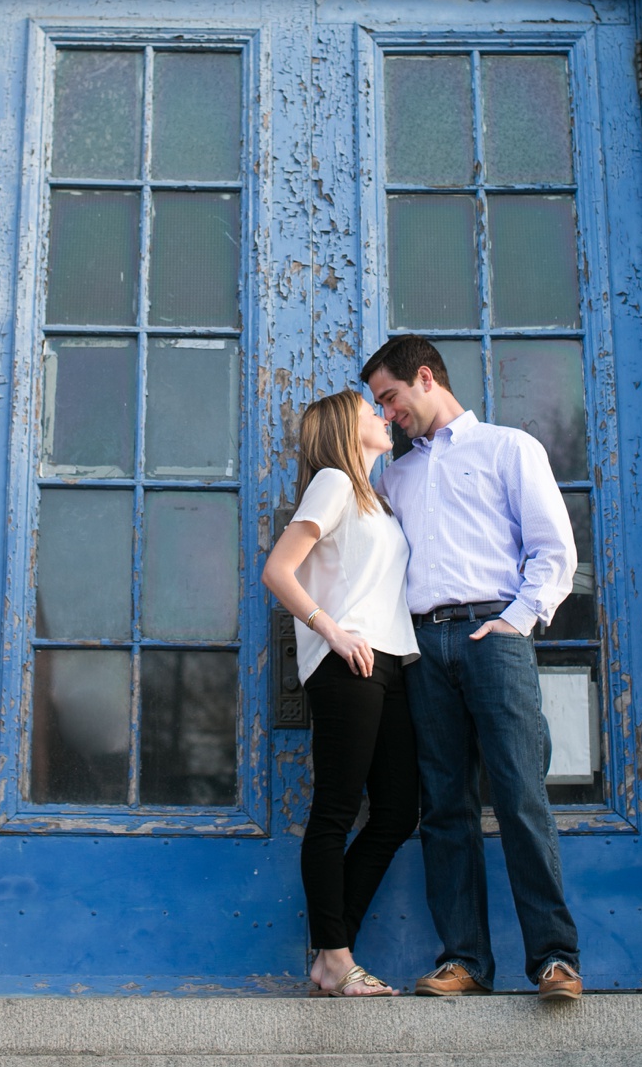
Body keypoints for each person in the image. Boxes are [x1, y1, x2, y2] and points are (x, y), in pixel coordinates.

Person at [361, 335, 583, 1003]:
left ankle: (553, 958)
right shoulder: (392, 476)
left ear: (424, 377)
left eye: (390, 397)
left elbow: (554, 550)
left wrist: (517, 620)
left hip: (496, 635)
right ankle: (464, 960)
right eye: (379, 404)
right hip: (422, 647)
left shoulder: (510, 449)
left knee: (519, 794)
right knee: (445, 808)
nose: (387, 411)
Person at [262, 390, 420, 997]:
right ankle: (335, 955)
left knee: (398, 811)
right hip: (346, 662)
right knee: (333, 811)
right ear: (344, 429)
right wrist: (331, 629)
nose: (383, 415)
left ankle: (333, 951)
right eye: (369, 410)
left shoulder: (375, 499)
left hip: (391, 661)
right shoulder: (332, 482)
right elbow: (279, 569)